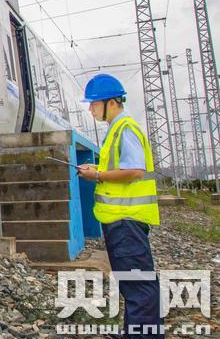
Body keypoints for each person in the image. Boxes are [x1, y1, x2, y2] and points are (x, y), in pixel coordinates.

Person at [77, 74, 163, 338]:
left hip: (126, 221)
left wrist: (97, 175)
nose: (90, 109)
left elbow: (135, 170)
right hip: (122, 221)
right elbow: (121, 168)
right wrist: (97, 169)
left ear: (111, 103)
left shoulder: (124, 128)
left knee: (138, 285)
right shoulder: (117, 129)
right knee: (133, 283)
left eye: (94, 103)